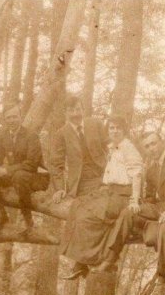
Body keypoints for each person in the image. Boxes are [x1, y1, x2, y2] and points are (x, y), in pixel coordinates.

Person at [98, 132, 165, 295]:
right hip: (160, 209)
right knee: (129, 212)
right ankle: (111, 256)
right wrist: (141, 206)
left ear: (162, 142)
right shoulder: (151, 170)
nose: (152, 148)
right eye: (147, 146)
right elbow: (151, 198)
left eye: (154, 143)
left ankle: (161, 279)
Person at [60, 115, 144, 280]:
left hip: (122, 195)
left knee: (90, 217)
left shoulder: (128, 148)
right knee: (78, 206)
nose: (114, 131)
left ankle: (84, 261)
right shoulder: (113, 147)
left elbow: (137, 175)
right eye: (111, 128)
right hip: (110, 191)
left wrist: (134, 200)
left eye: (118, 128)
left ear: (124, 130)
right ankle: (81, 262)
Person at [0, 103, 48, 231]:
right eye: (8, 118)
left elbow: (32, 164)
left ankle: (27, 219)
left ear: (20, 117)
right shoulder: (4, 136)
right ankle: (0, 214)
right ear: (5, 119)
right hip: (16, 176)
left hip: (37, 177)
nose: (11, 120)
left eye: (14, 117)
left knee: (19, 176)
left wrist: (5, 170)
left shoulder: (31, 135)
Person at [48, 95, 108, 201]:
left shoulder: (96, 124)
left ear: (83, 110)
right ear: (65, 113)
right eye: (71, 111)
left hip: (104, 177)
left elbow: (110, 149)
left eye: (78, 109)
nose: (75, 114)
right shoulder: (61, 134)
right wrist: (60, 189)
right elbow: (56, 164)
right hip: (82, 182)